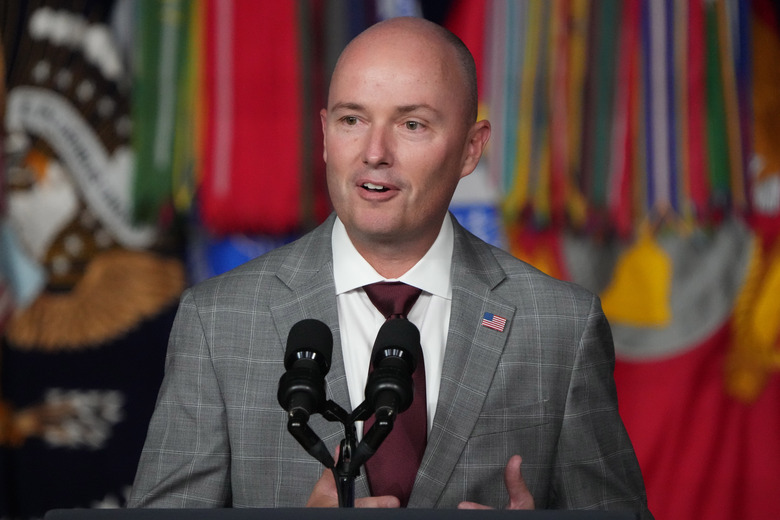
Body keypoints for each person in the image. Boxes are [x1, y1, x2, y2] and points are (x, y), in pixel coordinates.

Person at [128, 16, 652, 518]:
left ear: (472, 148)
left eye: (412, 124)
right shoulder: (218, 320)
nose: (374, 152)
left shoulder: (560, 324)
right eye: (352, 119)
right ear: (326, 135)